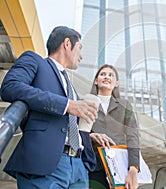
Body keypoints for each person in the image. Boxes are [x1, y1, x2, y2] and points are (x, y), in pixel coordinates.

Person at [0, 26, 98, 188]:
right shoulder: (34, 61)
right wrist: (67, 105)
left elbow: (70, 122)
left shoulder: (71, 88)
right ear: (67, 43)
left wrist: (92, 136)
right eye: (79, 48)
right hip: (46, 164)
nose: (81, 56)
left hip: (78, 168)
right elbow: (10, 87)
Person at [88, 64, 140, 189]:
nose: (107, 77)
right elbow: (79, 132)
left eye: (111, 75)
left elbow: (133, 136)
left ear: (116, 83)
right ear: (96, 80)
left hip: (120, 166)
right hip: (94, 167)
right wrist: (91, 136)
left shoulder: (125, 106)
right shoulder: (87, 103)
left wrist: (133, 168)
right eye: (102, 74)